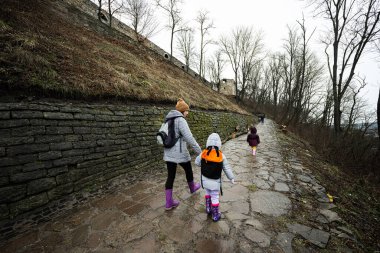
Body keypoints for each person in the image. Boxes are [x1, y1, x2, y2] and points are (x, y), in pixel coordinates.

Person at [163, 98, 202, 210]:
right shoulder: (181, 120)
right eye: (186, 110)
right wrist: (200, 152)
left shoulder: (168, 119)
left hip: (168, 153)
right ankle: (192, 187)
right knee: (188, 170)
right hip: (180, 153)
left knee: (170, 176)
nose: (187, 112)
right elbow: (189, 138)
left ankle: (169, 203)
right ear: (181, 111)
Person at [195, 133, 235, 222]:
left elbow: (196, 163)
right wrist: (231, 178)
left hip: (205, 180)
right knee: (215, 196)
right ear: (219, 144)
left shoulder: (203, 153)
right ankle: (215, 215)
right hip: (215, 182)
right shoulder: (221, 155)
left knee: (208, 193)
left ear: (208, 142)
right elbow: (226, 168)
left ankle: (208, 209)